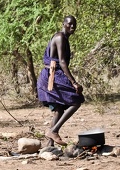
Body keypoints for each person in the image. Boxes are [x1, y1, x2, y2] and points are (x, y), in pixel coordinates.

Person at [36, 15, 85, 147]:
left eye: (74, 24)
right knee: (76, 100)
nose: (72, 27)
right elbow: (62, 62)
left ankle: (49, 145)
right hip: (51, 75)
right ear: (63, 24)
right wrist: (74, 82)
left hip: (52, 74)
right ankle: (54, 131)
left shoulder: (64, 38)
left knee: (59, 109)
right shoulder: (60, 37)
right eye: (69, 24)